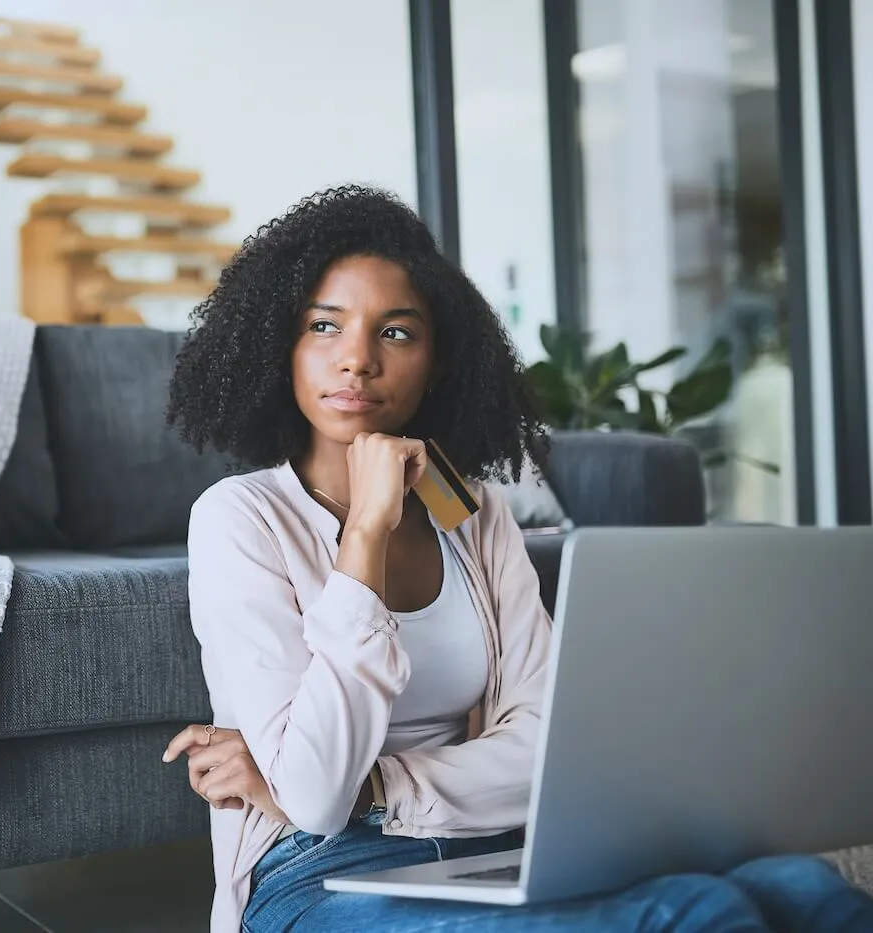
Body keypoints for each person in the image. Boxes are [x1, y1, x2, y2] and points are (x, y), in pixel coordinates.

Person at [160, 184, 873, 933]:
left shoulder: (472, 513)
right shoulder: (239, 519)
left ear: (437, 362)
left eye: (396, 333)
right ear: (283, 345)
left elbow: (542, 749)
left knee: (801, 888)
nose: (358, 360)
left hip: (482, 842)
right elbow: (312, 798)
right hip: (315, 873)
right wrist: (365, 530)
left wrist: (381, 786)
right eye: (325, 326)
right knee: (692, 911)